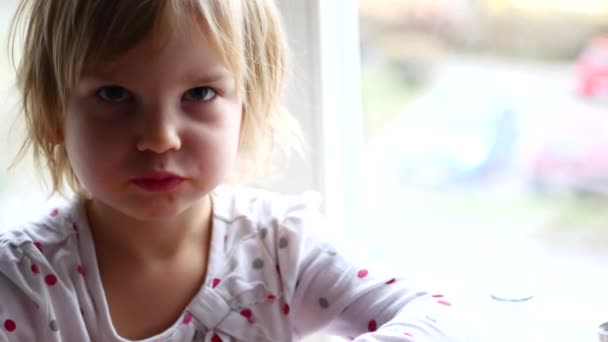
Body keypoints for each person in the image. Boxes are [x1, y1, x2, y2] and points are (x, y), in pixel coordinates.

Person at [0, 0, 469, 341]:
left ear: (247, 108)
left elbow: (440, 315)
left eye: (200, 94)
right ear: (51, 114)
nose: (161, 137)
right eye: (115, 95)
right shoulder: (21, 283)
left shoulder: (281, 244)